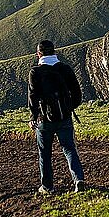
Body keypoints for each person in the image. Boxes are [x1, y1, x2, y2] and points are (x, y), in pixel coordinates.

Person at [28, 40, 85, 194]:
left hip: (44, 120)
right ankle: (78, 179)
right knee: (69, 149)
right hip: (64, 117)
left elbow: (33, 97)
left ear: (39, 54)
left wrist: (34, 116)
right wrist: (68, 107)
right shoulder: (65, 69)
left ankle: (47, 187)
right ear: (54, 51)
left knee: (45, 154)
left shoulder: (35, 72)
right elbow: (77, 94)